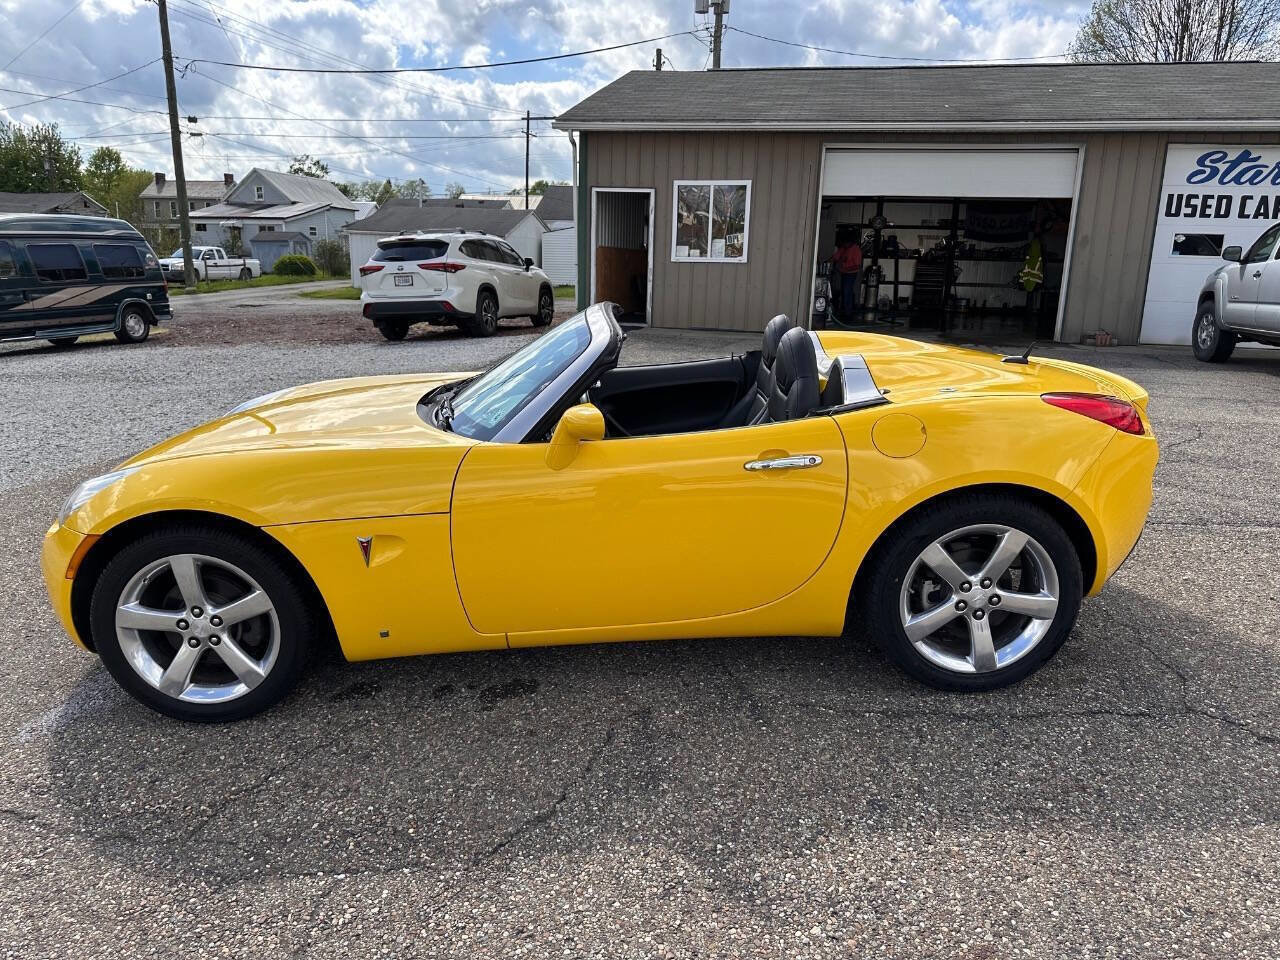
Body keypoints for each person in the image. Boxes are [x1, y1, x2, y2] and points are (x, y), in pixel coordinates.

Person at [832, 233, 863, 320]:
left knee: (847, 292)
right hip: (843, 273)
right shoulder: (843, 248)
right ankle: (844, 311)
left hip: (852, 273)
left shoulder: (856, 250)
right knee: (842, 292)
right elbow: (835, 257)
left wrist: (845, 270)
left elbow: (857, 266)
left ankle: (848, 313)